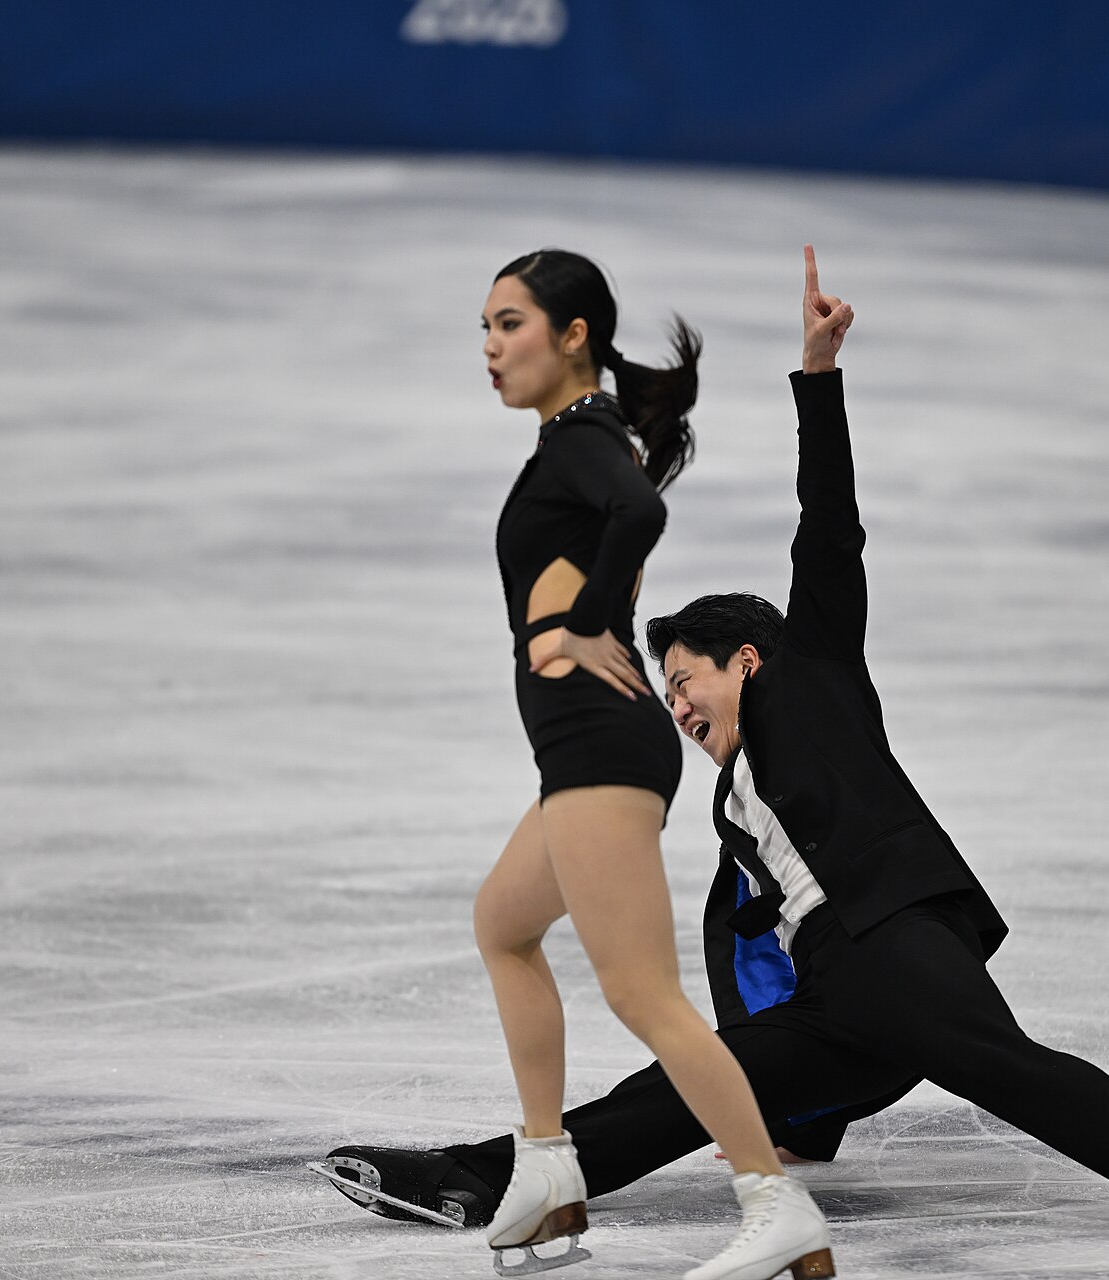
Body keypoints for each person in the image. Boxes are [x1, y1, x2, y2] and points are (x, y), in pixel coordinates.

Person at [317, 247, 1109, 1262]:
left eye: (688, 679)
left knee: (1012, 1069)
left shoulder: (815, 673)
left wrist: (818, 378)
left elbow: (829, 530)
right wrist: (805, 1120)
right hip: (841, 997)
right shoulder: (731, 806)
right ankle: (482, 1174)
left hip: (900, 940)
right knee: (687, 1090)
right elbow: (753, 945)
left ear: (746, 657)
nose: (680, 708)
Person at [417, 249, 833, 1280]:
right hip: (581, 747)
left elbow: (639, 515)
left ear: (573, 336)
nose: (489, 346)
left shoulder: (584, 439)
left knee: (645, 993)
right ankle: (550, 1165)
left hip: (599, 745)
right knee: (503, 923)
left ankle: (774, 1200)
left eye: (508, 323)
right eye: (483, 326)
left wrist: (590, 621)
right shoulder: (575, 440)